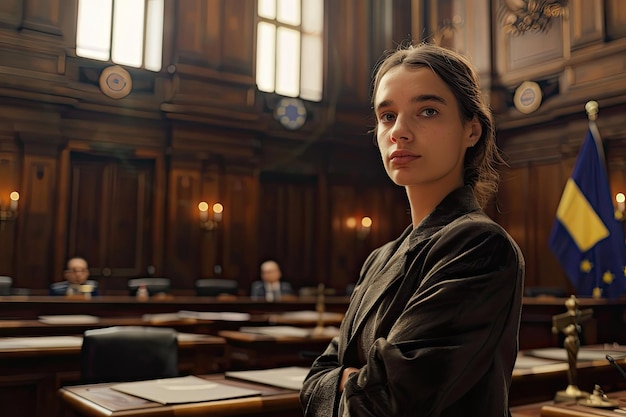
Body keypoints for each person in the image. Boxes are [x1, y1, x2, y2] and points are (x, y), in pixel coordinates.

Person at [300, 42, 525, 417]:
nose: (399, 132)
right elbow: (313, 382)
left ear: (471, 130)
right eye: (387, 116)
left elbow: (384, 405)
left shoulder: (481, 245)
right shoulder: (378, 258)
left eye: (427, 111)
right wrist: (348, 380)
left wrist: (345, 380)